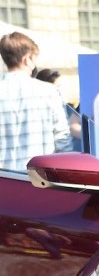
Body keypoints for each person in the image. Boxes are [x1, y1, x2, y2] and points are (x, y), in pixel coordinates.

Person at [0, 32, 71, 172]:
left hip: (4, 181)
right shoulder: (49, 92)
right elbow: (63, 140)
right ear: (27, 59)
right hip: (39, 180)